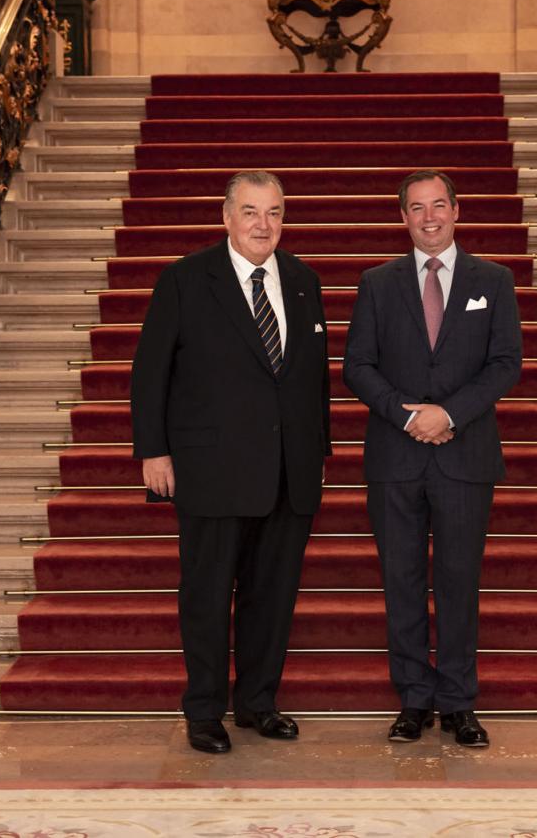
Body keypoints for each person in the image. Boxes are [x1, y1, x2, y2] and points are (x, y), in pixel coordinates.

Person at [131, 170, 330, 754]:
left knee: (273, 597)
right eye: (250, 212)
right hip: (210, 470)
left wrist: (317, 450)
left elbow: (312, 377)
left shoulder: (302, 280)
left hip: (289, 473)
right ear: (225, 216)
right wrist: (153, 450)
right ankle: (204, 711)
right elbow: (150, 373)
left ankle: (258, 703)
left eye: (273, 213)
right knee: (209, 595)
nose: (262, 225)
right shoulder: (187, 280)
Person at [343, 170, 522, 748]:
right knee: (400, 581)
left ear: (456, 210)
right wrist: (405, 414)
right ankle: (413, 700)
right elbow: (357, 366)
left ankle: (458, 702)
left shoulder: (492, 280)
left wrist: (448, 414)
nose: (429, 216)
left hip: (465, 455)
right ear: (402, 217)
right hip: (395, 456)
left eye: (438, 205)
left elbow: (505, 364)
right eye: (416, 208)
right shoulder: (377, 283)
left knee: (459, 581)